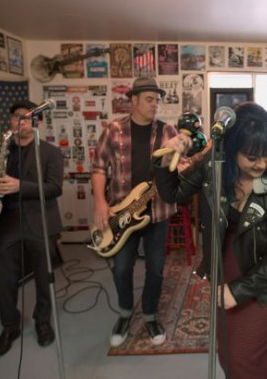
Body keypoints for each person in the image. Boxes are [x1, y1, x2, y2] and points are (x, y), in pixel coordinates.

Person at [154, 102, 267, 379]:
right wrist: (166, 162)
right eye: (252, 157)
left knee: (243, 358)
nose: (262, 164)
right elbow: (174, 194)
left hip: (266, 280)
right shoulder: (215, 166)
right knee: (227, 355)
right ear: (233, 149)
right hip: (225, 269)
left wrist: (239, 290)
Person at [91, 76, 178, 347]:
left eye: (157, 100)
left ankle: (150, 315)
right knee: (121, 268)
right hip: (122, 214)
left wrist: (185, 161)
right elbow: (98, 168)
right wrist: (100, 203)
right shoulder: (114, 130)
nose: (155, 105)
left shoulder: (167, 131)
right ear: (134, 100)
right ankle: (125, 312)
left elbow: (181, 165)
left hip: (157, 213)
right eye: (149, 100)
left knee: (156, 269)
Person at [0, 100, 64, 357]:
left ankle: (42, 322)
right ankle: (10, 326)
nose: (19, 122)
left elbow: (55, 188)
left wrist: (20, 186)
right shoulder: (2, 150)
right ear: (10, 121)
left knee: (44, 277)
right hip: (8, 221)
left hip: (39, 220)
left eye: (25, 118)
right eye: (15, 117)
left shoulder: (51, 152)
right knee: (4, 277)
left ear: (35, 123)